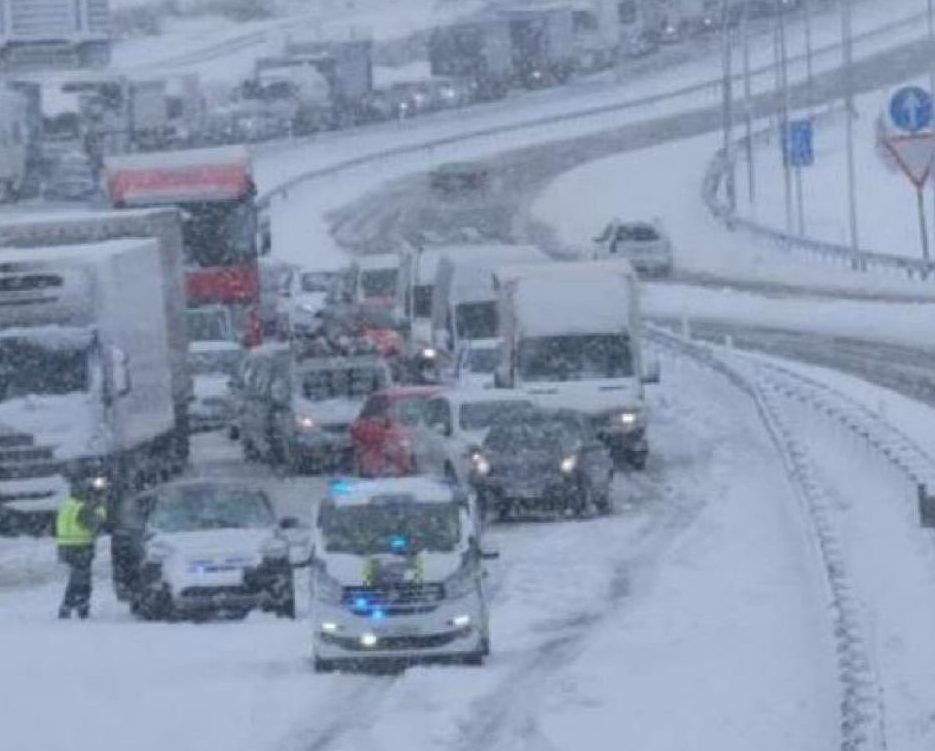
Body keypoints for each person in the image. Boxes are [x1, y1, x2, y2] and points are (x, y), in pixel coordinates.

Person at [56, 479, 108, 620]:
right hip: (80, 546)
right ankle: (76, 606)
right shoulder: (85, 507)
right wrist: (101, 508)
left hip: (65, 546)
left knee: (77, 577)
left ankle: (76, 606)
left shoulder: (69, 504)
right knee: (81, 579)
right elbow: (93, 525)